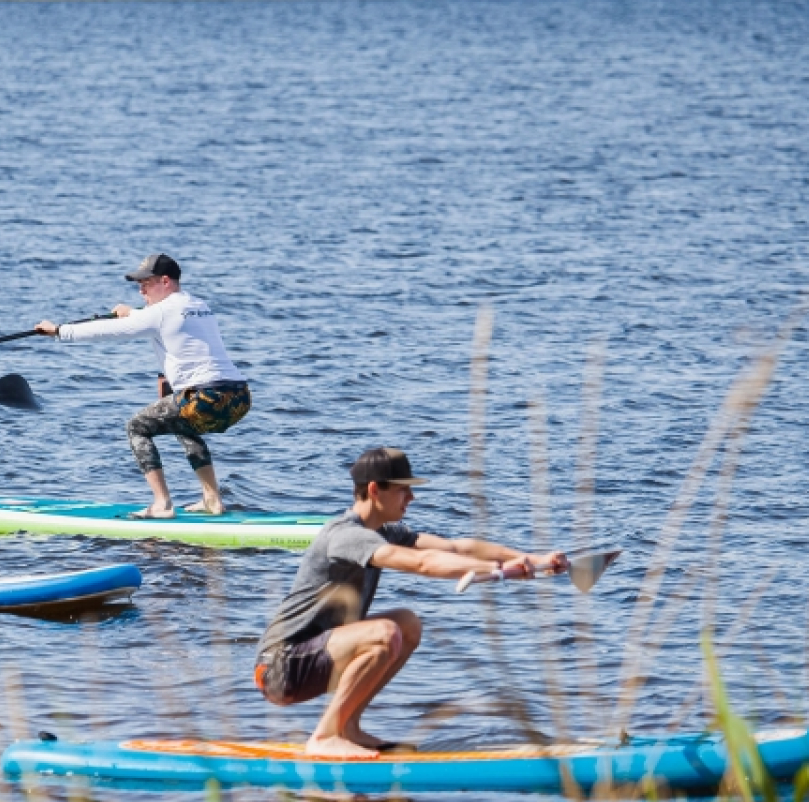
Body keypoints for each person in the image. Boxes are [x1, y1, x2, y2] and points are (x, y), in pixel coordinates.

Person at [254, 447, 567, 759]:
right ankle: (324, 736)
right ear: (375, 490)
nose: (412, 499)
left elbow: (457, 547)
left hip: (314, 656)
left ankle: (348, 727)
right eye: (404, 490)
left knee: (408, 624)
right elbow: (423, 563)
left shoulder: (385, 532)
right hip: (280, 667)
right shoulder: (346, 535)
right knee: (384, 633)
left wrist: (530, 560)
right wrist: (496, 571)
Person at [36, 254, 250, 518]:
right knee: (183, 425)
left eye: (146, 284)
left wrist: (59, 331)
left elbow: (110, 331)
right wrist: (136, 314)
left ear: (165, 281)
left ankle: (162, 504)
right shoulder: (199, 304)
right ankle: (212, 500)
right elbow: (174, 330)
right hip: (239, 396)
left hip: (204, 397)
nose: (141, 290)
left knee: (137, 427)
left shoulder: (159, 312)